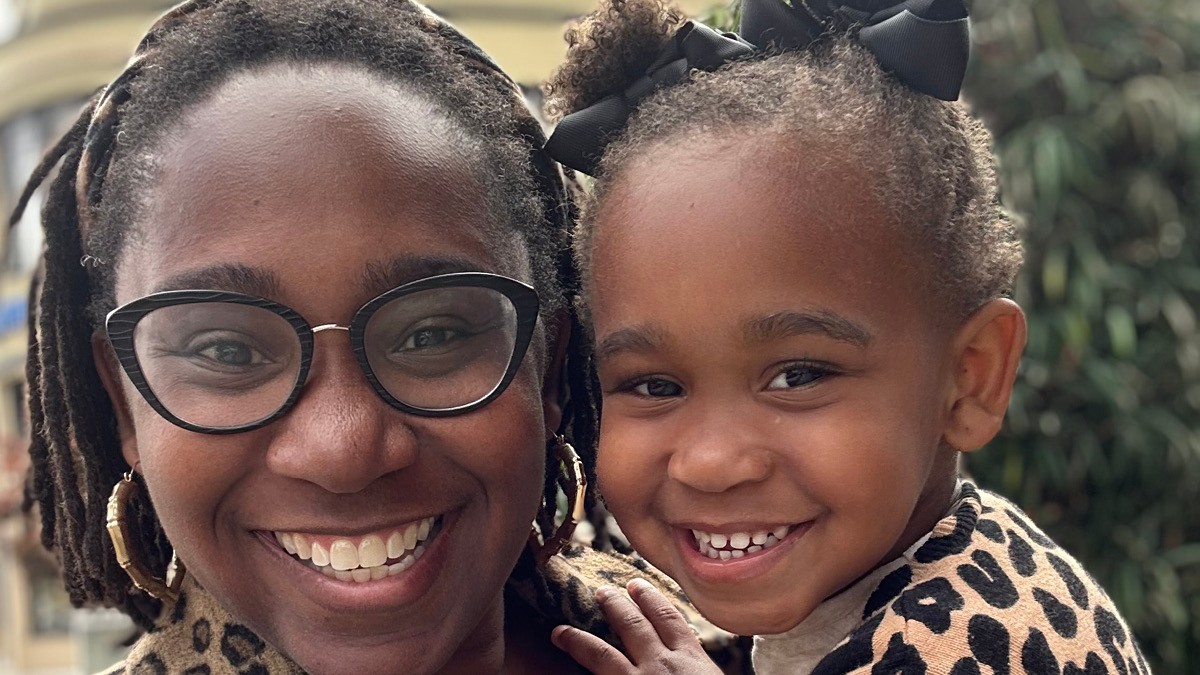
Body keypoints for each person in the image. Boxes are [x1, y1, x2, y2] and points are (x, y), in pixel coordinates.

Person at [11, 1, 742, 672]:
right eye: (227, 351)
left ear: (544, 366)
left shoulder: (766, 645)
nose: (344, 449)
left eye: (431, 334)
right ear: (123, 398)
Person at [542, 0, 1150, 673]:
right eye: (655, 385)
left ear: (971, 376)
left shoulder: (953, 650)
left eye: (798, 374)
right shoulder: (954, 562)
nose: (711, 461)